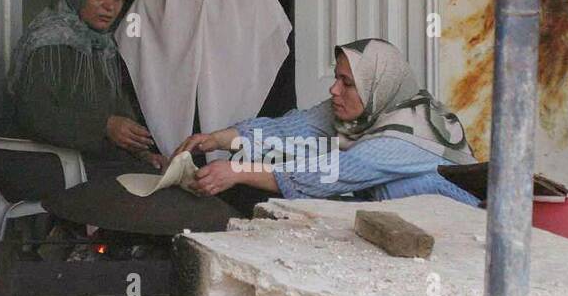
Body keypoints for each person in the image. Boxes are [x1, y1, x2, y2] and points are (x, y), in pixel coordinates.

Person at [175, 37, 481, 206]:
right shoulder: (365, 110)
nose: (334, 89)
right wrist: (215, 139)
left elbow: (329, 173)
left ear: (378, 86)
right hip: (410, 235)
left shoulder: (407, 136)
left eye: (346, 83)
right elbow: (292, 130)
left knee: (395, 189)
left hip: (461, 236)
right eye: (336, 78)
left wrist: (238, 171)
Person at [115, 0, 294, 160]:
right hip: (175, 132)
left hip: (245, 132)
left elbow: (277, 54)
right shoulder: (151, 2)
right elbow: (128, 55)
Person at [9, 0, 162, 169]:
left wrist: (143, 154)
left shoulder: (103, 44)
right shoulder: (49, 42)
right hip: (43, 164)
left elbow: (117, 107)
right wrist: (105, 127)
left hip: (85, 159)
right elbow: (35, 115)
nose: (109, 6)